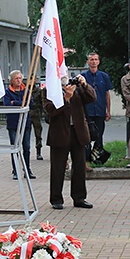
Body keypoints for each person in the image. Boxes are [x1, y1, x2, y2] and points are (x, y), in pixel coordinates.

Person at [44, 75, 96, 210]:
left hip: (77, 132)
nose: (64, 77)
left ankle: (79, 198)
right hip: (59, 133)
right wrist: (65, 98)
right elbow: (50, 110)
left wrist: (85, 85)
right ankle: (56, 198)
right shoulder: (49, 90)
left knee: (79, 166)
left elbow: (92, 98)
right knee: (58, 167)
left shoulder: (77, 88)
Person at [80, 52, 112, 168]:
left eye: (95, 59)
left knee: (99, 135)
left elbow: (107, 94)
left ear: (98, 62)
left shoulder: (104, 76)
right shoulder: (83, 77)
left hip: (100, 110)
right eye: (91, 60)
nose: (93, 62)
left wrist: (108, 110)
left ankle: (98, 157)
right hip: (87, 111)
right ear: (88, 62)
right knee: (87, 136)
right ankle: (86, 159)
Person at [3, 70, 35, 180]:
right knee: (15, 147)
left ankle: (27, 169)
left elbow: (30, 103)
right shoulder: (8, 92)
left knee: (27, 147)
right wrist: (20, 103)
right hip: (13, 123)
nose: (18, 80)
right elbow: (7, 105)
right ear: (11, 80)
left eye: (20, 78)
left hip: (25, 123)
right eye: (16, 78)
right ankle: (15, 170)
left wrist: (15, 102)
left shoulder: (26, 90)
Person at [30, 78, 45, 160]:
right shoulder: (25, 91)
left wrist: (45, 113)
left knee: (38, 133)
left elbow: (42, 102)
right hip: (27, 114)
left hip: (36, 114)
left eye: (33, 80)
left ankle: (38, 152)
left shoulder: (38, 91)